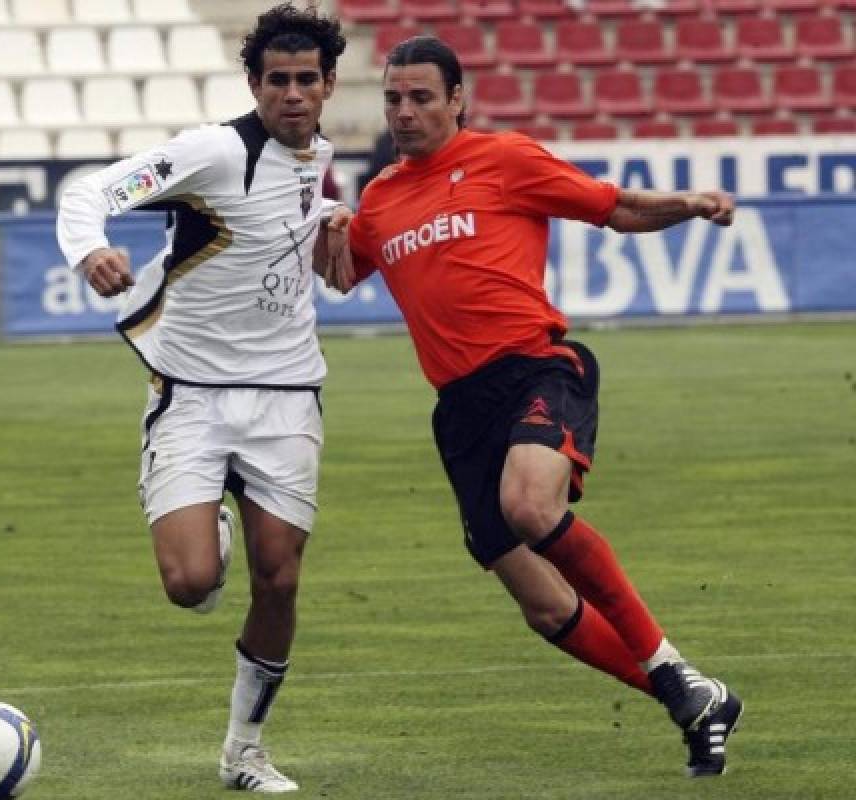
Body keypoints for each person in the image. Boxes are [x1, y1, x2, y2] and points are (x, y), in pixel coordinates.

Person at [324, 36, 744, 779]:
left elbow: (611, 209)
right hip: (459, 412)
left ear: (457, 99)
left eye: (421, 96)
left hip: (536, 370)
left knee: (528, 505)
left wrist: (688, 204)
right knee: (547, 609)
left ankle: (671, 667)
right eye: (393, 98)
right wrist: (318, 221)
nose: (405, 111)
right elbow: (339, 274)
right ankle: (695, 698)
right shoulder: (382, 199)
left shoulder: (505, 159)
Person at [57, 3, 347, 793]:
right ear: (253, 83)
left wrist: (333, 217)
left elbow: (300, 234)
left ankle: (244, 750)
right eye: (277, 81)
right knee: (189, 585)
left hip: (288, 393)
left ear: (328, 85)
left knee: (281, 578)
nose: (292, 95)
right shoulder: (213, 152)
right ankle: (209, 524)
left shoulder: (320, 159)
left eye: (306, 81)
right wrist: (90, 250)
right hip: (191, 395)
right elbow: (91, 190)